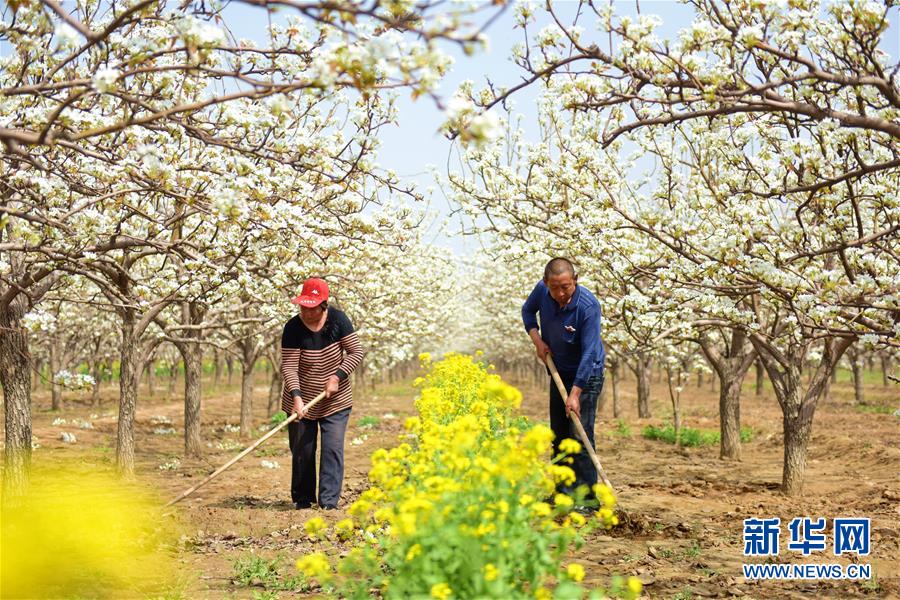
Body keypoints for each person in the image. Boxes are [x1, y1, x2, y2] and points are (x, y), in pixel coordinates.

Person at [522, 257, 605, 502]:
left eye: (566, 287)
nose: (560, 293)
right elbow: (527, 311)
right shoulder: (541, 291)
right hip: (559, 371)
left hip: (586, 375)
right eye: (554, 288)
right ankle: (562, 494)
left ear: (575, 280)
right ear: (545, 283)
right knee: (558, 435)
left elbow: (589, 352)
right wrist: (537, 340)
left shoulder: (588, 306)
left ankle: (587, 499)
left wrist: (576, 393)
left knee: (579, 435)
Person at [281, 277, 363, 510]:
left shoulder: (338, 320)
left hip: (335, 399)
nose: (307, 312)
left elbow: (356, 352)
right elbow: (289, 367)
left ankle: (329, 502)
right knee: (302, 450)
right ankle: (303, 499)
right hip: (301, 398)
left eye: (312, 308)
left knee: (332, 448)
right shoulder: (293, 328)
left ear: (324, 305)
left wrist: (336, 377)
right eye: (303, 307)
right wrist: (297, 397)